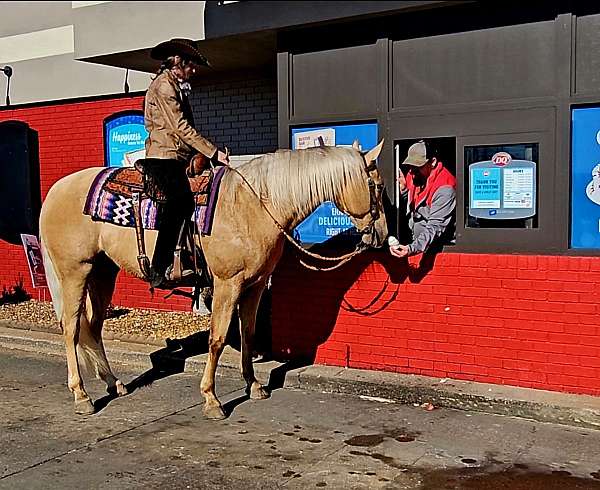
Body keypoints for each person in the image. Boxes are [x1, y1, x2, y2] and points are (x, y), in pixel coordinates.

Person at [142, 38, 229, 288]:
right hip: (163, 157)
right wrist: (213, 153)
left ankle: (191, 256)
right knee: (180, 202)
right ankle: (159, 267)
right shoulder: (164, 87)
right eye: (192, 66)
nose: (194, 71)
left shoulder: (176, 86)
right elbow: (181, 127)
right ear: (179, 63)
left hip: (179, 157)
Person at [389, 140, 456, 259]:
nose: (412, 171)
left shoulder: (445, 188)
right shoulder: (413, 175)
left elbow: (435, 226)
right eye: (410, 165)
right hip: (416, 243)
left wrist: (412, 248)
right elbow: (413, 206)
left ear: (433, 162)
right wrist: (404, 191)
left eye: (418, 166)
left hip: (437, 248)